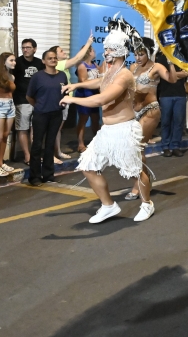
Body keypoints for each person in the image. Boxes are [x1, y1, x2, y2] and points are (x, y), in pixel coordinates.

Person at [61, 20, 156, 223]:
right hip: (107, 131)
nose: (106, 52)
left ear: (120, 51)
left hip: (124, 130)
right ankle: (108, 205)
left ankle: (147, 204)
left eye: (111, 49)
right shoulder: (110, 71)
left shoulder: (124, 75)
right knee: (87, 165)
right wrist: (76, 85)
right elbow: (100, 81)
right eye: (106, 49)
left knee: (135, 171)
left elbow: (102, 99)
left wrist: (73, 99)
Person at [125, 37, 178, 198]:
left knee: (137, 148)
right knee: (131, 149)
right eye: (135, 54)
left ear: (148, 52)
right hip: (133, 111)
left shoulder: (157, 67)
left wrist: (171, 62)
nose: (137, 58)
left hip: (150, 110)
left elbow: (172, 79)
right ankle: (145, 179)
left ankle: (138, 185)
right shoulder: (133, 67)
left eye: (141, 54)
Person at [25, 49, 68, 186]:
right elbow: (29, 96)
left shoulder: (62, 75)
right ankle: (34, 177)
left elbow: (65, 93)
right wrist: (39, 106)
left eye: (55, 58)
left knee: (50, 144)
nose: (53, 60)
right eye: (50, 58)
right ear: (43, 61)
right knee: (37, 145)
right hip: (41, 115)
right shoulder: (38, 77)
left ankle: (48, 175)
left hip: (56, 114)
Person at [51, 38, 94, 163]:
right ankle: (52, 155)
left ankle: (57, 152)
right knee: (55, 128)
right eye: (61, 51)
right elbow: (77, 58)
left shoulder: (62, 67)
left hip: (65, 100)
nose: (64, 52)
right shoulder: (59, 64)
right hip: (59, 100)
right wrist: (88, 43)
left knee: (58, 128)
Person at [12, 39, 45, 165]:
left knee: (36, 129)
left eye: (28, 47)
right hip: (22, 100)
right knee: (22, 128)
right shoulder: (17, 62)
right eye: (23, 47)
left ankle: (35, 155)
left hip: (38, 101)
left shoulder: (39, 63)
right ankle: (27, 156)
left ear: (35, 49)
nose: (25, 50)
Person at [156, 51, 188, 157]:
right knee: (166, 122)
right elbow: (163, 74)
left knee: (178, 122)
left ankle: (175, 146)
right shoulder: (161, 58)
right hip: (165, 94)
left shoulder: (182, 57)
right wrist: (177, 74)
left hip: (180, 94)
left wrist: (172, 75)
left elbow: (187, 73)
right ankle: (165, 147)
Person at [74, 46, 102, 153]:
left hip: (94, 93)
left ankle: (97, 142)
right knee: (83, 119)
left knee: (95, 118)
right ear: (89, 53)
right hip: (84, 94)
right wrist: (96, 82)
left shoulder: (94, 64)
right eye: (93, 51)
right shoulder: (82, 65)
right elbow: (83, 81)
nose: (94, 52)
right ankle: (80, 144)